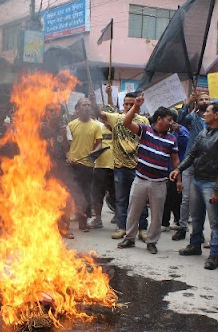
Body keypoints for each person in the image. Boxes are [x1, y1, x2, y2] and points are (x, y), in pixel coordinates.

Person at [170, 102, 218, 270]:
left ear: (217, 115)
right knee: (196, 216)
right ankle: (195, 244)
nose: (205, 114)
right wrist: (179, 169)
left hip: (211, 184)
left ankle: (214, 255)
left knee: (215, 222)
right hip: (197, 179)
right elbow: (192, 154)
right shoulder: (203, 133)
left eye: (208, 112)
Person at [117, 102, 181, 254]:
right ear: (159, 119)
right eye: (169, 120)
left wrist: (179, 178)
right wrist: (135, 107)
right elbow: (126, 122)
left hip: (159, 183)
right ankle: (129, 237)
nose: (171, 123)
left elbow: (176, 160)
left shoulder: (172, 139)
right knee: (133, 210)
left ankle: (152, 242)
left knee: (157, 215)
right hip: (140, 179)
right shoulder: (144, 131)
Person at [91, 92, 150, 240]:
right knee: (121, 199)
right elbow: (99, 113)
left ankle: (142, 229)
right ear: (122, 105)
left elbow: (147, 141)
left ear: (138, 104)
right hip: (120, 167)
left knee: (140, 200)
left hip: (138, 167)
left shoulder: (143, 120)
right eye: (126, 104)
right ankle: (122, 228)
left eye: (132, 103)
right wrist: (93, 101)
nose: (129, 106)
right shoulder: (116, 118)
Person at [174, 90, 211, 241]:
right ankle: (182, 227)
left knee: (205, 201)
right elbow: (181, 119)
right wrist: (188, 102)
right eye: (201, 99)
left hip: (208, 164)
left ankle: (199, 232)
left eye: (207, 99)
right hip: (191, 162)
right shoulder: (192, 117)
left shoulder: (217, 119)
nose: (204, 101)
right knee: (186, 198)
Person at [67, 97, 102, 233]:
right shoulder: (71, 125)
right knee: (70, 193)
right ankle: (66, 223)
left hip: (87, 164)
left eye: (88, 104)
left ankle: (83, 221)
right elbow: (67, 144)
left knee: (85, 193)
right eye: (84, 105)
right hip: (72, 164)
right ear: (77, 109)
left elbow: (99, 142)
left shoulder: (96, 126)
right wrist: (69, 156)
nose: (87, 107)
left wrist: (95, 150)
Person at [42, 102, 73, 238]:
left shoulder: (64, 127)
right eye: (50, 110)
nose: (53, 113)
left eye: (55, 111)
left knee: (65, 197)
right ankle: (48, 227)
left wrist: (64, 136)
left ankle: (64, 226)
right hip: (44, 167)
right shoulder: (40, 128)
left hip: (61, 166)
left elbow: (67, 148)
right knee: (46, 197)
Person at [162, 108, 189, 231]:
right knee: (164, 197)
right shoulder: (161, 131)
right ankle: (164, 222)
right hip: (163, 169)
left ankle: (178, 221)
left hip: (176, 169)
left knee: (176, 196)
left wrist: (178, 130)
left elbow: (187, 142)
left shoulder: (181, 130)